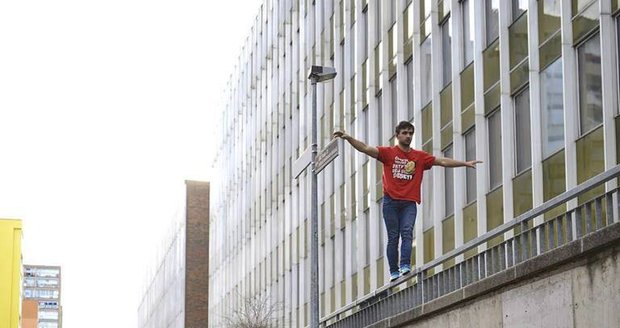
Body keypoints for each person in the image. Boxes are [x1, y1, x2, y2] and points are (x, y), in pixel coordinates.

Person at [334, 121, 482, 281]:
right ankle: (393, 271)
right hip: (391, 202)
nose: (408, 136)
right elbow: (365, 148)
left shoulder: (419, 157)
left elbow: (442, 161)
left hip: (409, 203)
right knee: (393, 236)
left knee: (407, 232)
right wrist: (348, 138)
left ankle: (405, 265)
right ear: (397, 135)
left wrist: (464, 163)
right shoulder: (388, 153)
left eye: (410, 133)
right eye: (404, 133)